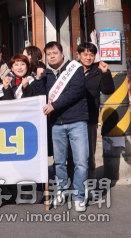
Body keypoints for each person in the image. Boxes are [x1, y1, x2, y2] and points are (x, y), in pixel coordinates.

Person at [33, 41, 89, 212]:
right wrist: (38, 79)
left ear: (62, 54)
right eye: (49, 54)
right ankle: (61, 192)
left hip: (77, 120)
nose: (52, 56)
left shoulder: (75, 68)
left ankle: (79, 195)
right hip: (56, 123)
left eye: (55, 53)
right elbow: (39, 97)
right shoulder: (46, 73)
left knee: (81, 161)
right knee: (58, 163)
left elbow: (75, 92)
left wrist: (55, 105)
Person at [77, 42, 115, 179]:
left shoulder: (98, 71)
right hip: (73, 117)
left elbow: (108, 90)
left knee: (89, 154)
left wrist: (105, 72)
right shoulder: (71, 70)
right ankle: (74, 183)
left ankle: (90, 184)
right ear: (79, 55)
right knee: (73, 154)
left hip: (90, 118)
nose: (88, 57)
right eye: (85, 54)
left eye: (91, 55)